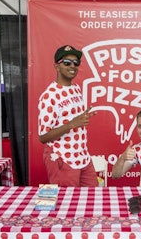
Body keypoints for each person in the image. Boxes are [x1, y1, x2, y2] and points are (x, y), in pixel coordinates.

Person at [38, 45, 97, 187]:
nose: (73, 66)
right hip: (63, 158)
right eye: (67, 63)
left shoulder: (76, 88)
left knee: (93, 198)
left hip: (82, 156)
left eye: (76, 63)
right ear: (57, 66)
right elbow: (43, 137)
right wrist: (72, 123)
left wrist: (82, 118)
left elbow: (73, 117)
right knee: (67, 204)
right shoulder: (49, 96)